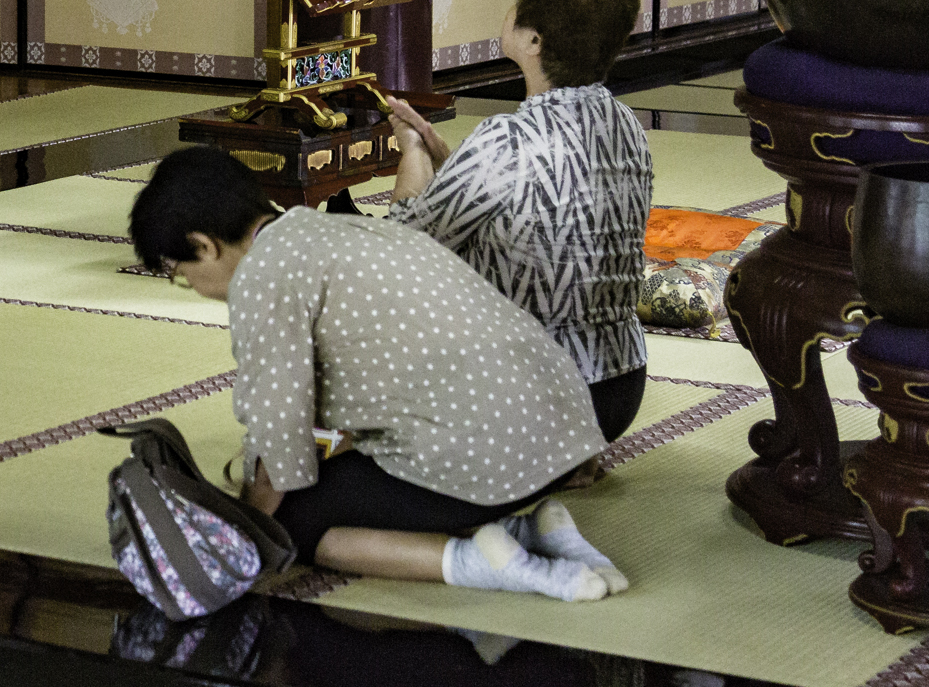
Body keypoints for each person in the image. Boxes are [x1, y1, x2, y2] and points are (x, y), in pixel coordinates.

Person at [128, 146, 629, 599]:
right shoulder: (334, 228)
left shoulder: (263, 275)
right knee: (339, 474)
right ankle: (537, 534)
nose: (192, 286)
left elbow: (279, 431)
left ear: (204, 245)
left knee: (297, 520)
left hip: (495, 458)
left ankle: (479, 563)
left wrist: (248, 530)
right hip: (566, 437)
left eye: (182, 275)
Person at [385, 0, 654, 443]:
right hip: (621, 391)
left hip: (538, 397)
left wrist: (413, 152)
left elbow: (404, 244)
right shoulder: (627, 124)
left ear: (534, 41)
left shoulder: (505, 140)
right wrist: (452, 165)